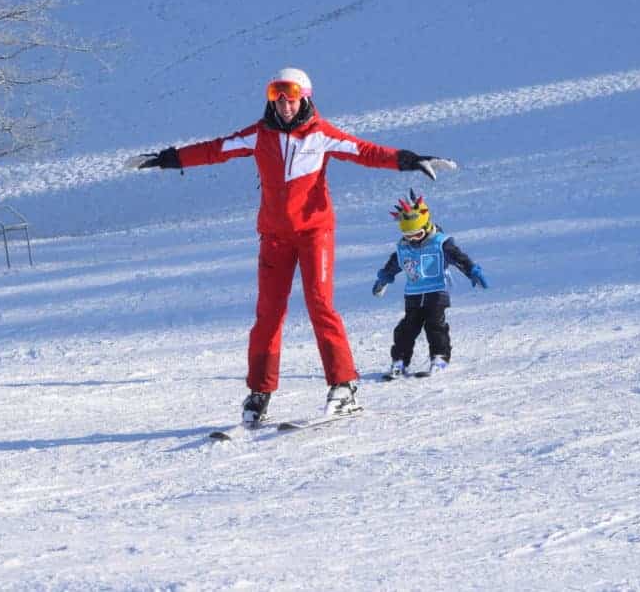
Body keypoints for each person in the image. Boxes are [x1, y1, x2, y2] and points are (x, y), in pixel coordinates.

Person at [131, 68, 456, 423]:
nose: (285, 105)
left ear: (305, 98)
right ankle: (259, 392)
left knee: (320, 305)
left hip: (315, 233)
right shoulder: (259, 135)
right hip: (274, 238)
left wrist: (412, 160)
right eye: (278, 97)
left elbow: (365, 151)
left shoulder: (321, 134)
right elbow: (214, 150)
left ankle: (344, 385)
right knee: (268, 314)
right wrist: (166, 158)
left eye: (292, 97)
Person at [372, 190, 487, 377]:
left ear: (426, 227)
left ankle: (439, 358)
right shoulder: (404, 248)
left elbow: (460, 258)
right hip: (413, 295)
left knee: (435, 326)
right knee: (406, 328)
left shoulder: (441, 244)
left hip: (436, 292)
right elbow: (393, 265)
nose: (412, 240)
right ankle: (400, 361)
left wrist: (472, 271)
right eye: (407, 235)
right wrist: (383, 279)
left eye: (416, 235)